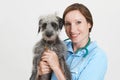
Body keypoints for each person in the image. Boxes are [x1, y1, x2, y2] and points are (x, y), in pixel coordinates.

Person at [38, 3, 107, 80]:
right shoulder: (57, 48)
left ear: (89, 24)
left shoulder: (97, 56)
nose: (72, 29)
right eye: (68, 24)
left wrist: (56, 68)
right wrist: (40, 74)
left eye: (78, 22)